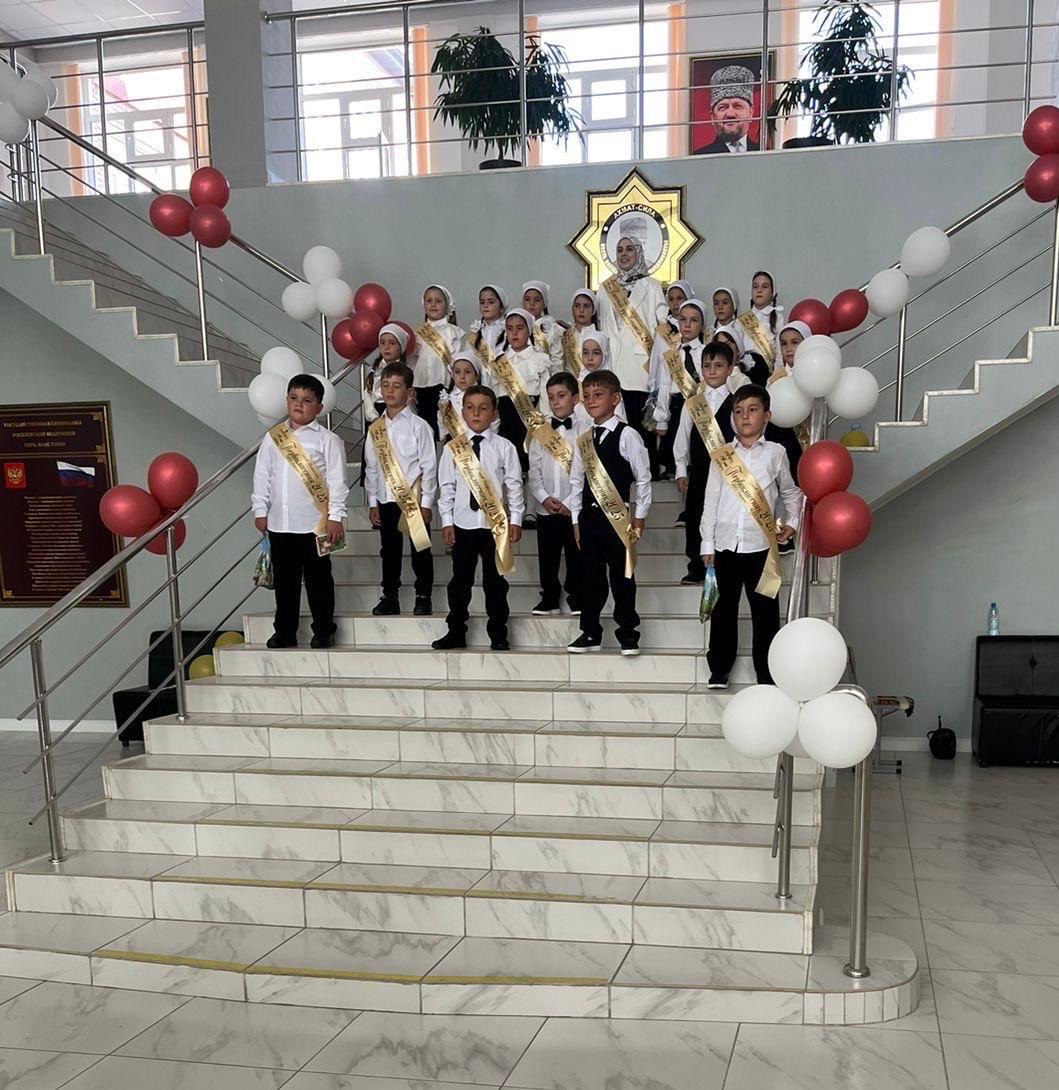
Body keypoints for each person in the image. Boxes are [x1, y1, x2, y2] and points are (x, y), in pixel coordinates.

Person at [699, 384, 802, 689]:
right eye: (738, 411)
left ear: (767, 415)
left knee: (765, 614)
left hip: (762, 549)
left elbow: (791, 493)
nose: (745, 416)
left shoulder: (776, 453)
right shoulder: (721, 456)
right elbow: (711, 501)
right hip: (725, 547)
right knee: (723, 612)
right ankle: (719, 669)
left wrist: (792, 523)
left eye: (753, 410)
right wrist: (707, 543)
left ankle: (767, 674)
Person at [251, 374, 348, 649]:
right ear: (286, 400)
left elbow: (337, 482)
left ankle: (323, 630)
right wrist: (260, 509)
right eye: (294, 398)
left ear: (319, 407)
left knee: (319, 580)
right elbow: (262, 476)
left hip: (316, 524)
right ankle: (284, 632)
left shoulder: (328, 440)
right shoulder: (273, 438)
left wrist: (336, 517)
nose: (298, 405)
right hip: (280, 523)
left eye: (306, 401)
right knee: (285, 583)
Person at [433, 386, 524, 651]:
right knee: (459, 582)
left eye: (483, 408)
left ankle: (498, 633)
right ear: (462, 412)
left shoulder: (505, 447)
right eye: (470, 408)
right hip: (463, 524)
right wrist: (447, 521)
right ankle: (456, 631)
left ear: (494, 414)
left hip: (495, 526)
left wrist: (516, 520)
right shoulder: (453, 448)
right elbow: (447, 488)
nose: (476, 413)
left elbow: (514, 486)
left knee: (495, 582)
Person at [568, 369, 652, 655]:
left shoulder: (628, 435)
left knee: (622, 577)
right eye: (587, 396)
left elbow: (643, 479)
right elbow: (576, 482)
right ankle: (590, 632)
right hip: (589, 519)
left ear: (615, 399)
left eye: (598, 394)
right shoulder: (583, 440)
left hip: (618, 519)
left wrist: (639, 516)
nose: (592, 400)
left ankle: (628, 632)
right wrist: (576, 520)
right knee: (590, 578)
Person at [365, 362, 437, 618]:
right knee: (389, 550)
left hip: (413, 498)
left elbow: (429, 467)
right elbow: (372, 468)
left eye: (396, 386)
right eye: (385, 385)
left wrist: (427, 503)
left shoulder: (420, 426)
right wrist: (372, 502)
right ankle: (390, 596)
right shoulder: (375, 429)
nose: (390, 391)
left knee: (420, 549)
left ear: (409, 391)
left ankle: (423, 595)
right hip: (386, 499)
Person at [672, 339, 741, 584]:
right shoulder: (693, 403)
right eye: (707, 366)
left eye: (719, 366)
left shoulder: (736, 404)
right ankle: (696, 565)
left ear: (730, 369)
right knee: (695, 515)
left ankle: (723, 562)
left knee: (724, 514)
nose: (712, 371)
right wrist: (681, 468)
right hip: (700, 471)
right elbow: (682, 437)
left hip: (727, 472)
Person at [595, 234, 666, 466]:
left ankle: (647, 470)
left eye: (629, 249)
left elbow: (662, 327)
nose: (624, 254)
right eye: (619, 250)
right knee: (615, 422)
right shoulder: (605, 288)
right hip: (613, 364)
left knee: (640, 425)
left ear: (639, 253)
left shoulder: (653, 286)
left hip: (641, 366)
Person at [529, 372, 586, 616]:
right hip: (546, 507)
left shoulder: (585, 430)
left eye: (561, 396)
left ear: (575, 398)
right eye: (551, 397)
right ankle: (549, 597)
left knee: (576, 553)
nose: (555, 402)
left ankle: (577, 595)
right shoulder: (541, 432)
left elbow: (587, 471)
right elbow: (534, 470)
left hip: (574, 506)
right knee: (547, 555)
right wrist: (543, 497)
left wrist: (570, 502)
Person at [652, 297, 709, 477]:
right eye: (683, 319)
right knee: (675, 452)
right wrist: (661, 418)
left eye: (694, 320)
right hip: (676, 407)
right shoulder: (672, 354)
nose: (687, 324)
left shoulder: (706, 352)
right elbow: (664, 385)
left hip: (700, 409)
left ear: (702, 325)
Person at [492, 307, 552, 472]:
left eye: (520, 328)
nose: (514, 333)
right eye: (509, 328)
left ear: (529, 330)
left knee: (532, 467)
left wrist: (544, 425)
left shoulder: (540, 360)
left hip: (530, 423)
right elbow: (494, 395)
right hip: (506, 420)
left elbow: (546, 397)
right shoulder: (500, 362)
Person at [412, 284, 464, 441]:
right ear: (423, 304)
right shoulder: (417, 333)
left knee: (445, 429)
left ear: (446, 305)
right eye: (429, 301)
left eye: (438, 301)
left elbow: (457, 361)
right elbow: (412, 361)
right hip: (420, 387)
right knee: (423, 431)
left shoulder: (454, 332)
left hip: (444, 386)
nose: (433, 305)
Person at [695, 64, 760, 155]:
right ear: (712, 116)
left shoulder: (766, 154)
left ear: (750, 112)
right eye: (723, 107)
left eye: (737, 106)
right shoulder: (698, 158)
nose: (730, 114)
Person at [574, 330, 627, 426]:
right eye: (585, 353)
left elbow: (619, 418)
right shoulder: (578, 382)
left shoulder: (610, 383)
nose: (590, 358)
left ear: (605, 354)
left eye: (596, 353)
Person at [738, 270, 784, 370]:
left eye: (764, 287)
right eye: (755, 287)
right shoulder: (742, 320)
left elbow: (780, 351)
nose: (759, 290)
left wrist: (777, 372)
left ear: (772, 293)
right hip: (744, 369)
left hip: (768, 370)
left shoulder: (778, 318)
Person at [438, 350, 488, 443]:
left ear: (476, 375)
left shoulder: (484, 397)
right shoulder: (447, 398)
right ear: (452, 375)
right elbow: (443, 429)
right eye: (457, 372)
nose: (462, 376)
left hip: (481, 442)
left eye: (467, 372)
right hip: (456, 445)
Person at [467, 283, 508, 383]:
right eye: (482, 302)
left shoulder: (508, 329)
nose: (486, 306)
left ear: (502, 307)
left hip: (503, 382)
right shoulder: (474, 332)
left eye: (491, 302)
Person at [521, 280, 565, 372]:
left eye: (537, 300)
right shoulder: (517, 326)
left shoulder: (552, 328)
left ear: (544, 303)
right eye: (527, 299)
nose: (532, 304)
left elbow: (557, 359)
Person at [561, 289, 597, 373]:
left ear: (593, 310)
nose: (581, 310)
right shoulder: (564, 335)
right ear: (572, 309)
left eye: (586, 306)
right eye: (577, 306)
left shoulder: (600, 335)